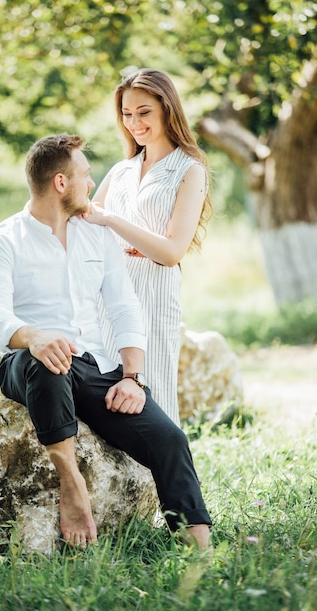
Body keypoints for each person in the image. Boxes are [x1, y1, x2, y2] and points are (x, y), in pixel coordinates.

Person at [0, 133, 212, 551]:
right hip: (25, 363)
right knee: (49, 362)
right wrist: (35, 336)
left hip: (93, 365)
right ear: (61, 183)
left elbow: (124, 308)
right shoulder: (2, 239)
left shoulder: (95, 235)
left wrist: (132, 378)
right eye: (85, 175)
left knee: (170, 438)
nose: (92, 183)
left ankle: (200, 546)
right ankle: (72, 485)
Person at [84, 68, 212, 426]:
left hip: (153, 295)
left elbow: (171, 253)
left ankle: (165, 482)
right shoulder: (122, 169)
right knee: (105, 396)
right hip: (107, 295)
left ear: (167, 109)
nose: (134, 123)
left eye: (144, 112)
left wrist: (112, 221)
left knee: (153, 401)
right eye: (127, 114)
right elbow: (87, 226)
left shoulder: (189, 170)